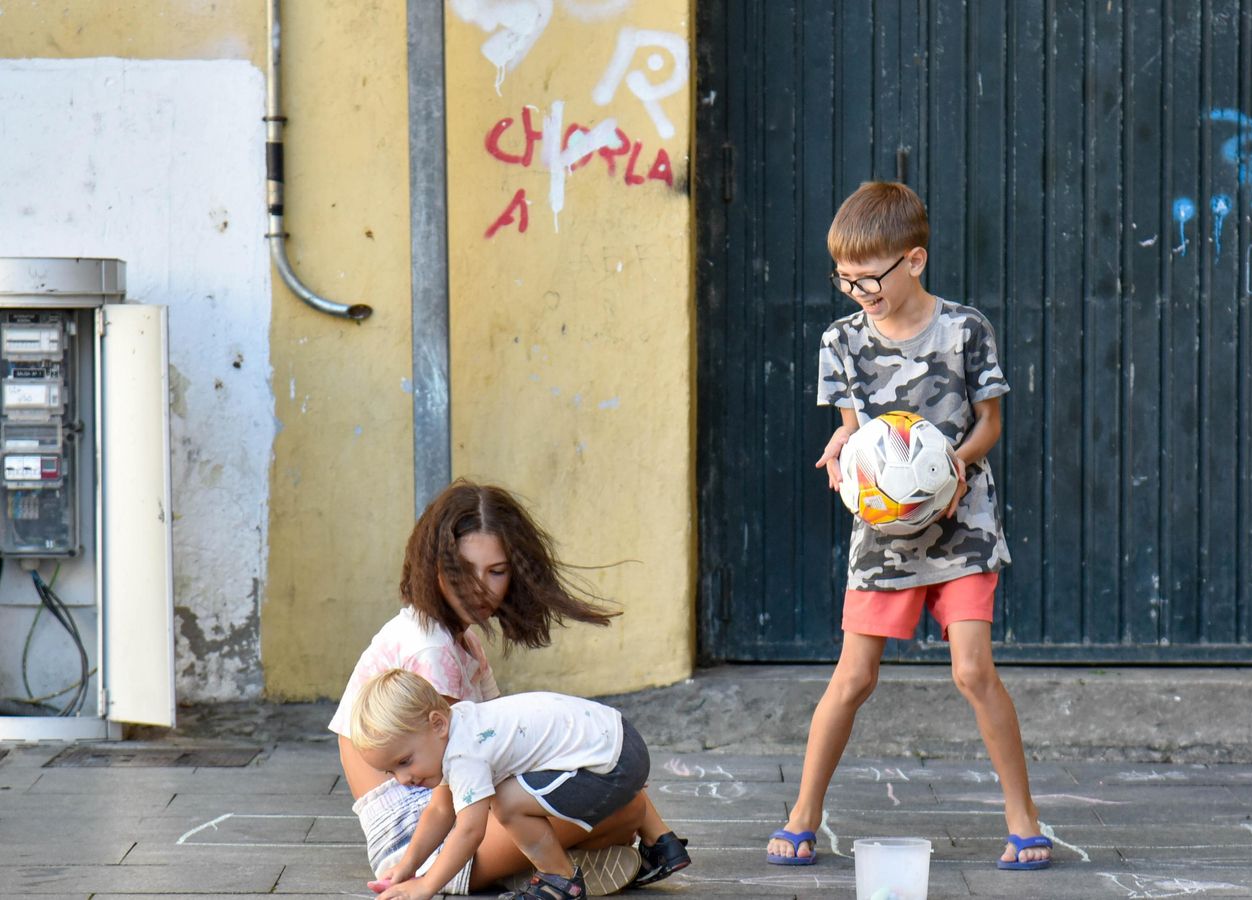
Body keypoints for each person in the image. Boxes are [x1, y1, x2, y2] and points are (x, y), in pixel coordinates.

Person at [764, 181, 1051, 871]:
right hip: (884, 535)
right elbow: (855, 434)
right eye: (845, 280)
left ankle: (1025, 820)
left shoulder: (965, 329)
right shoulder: (840, 342)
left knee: (973, 671)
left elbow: (991, 424)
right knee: (853, 677)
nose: (858, 292)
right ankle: (803, 813)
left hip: (963, 524)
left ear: (914, 261)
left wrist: (953, 466)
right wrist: (842, 449)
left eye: (869, 279)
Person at [327, 480, 687, 893]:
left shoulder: (459, 640)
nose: (482, 588)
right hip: (419, 837)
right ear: (434, 567)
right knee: (621, 807)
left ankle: (542, 864)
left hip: (446, 814)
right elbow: (454, 791)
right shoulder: (429, 648)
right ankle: (554, 868)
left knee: (600, 797)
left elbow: (500, 743)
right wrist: (421, 882)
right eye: (464, 572)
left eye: (497, 572)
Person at [349, 668, 690, 900]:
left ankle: (559, 878)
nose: (404, 780)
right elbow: (440, 811)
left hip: (615, 762)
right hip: (620, 738)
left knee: (507, 802)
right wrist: (407, 868)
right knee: (510, 794)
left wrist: (426, 886)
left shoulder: (464, 754)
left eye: (404, 761)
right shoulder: (461, 725)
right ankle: (663, 845)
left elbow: (469, 832)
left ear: (437, 723)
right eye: (391, 773)